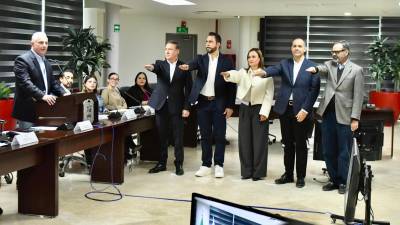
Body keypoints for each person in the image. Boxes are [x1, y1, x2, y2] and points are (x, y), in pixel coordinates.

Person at [306, 40, 364, 194]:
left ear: (346, 52)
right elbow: (322, 68)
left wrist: (355, 118)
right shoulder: (330, 64)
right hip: (328, 115)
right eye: (333, 51)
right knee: (328, 150)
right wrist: (315, 69)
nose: (334, 54)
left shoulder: (357, 70)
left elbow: (358, 97)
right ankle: (334, 179)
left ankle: (344, 181)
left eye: (337, 51)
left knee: (344, 151)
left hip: (345, 115)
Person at [263, 38, 320, 188]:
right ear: (291, 48)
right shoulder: (285, 63)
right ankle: (288, 174)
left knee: (301, 145)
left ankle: (301, 176)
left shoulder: (312, 67)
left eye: (300, 46)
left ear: (305, 49)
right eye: (294, 46)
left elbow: (314, 91)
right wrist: (262, 72)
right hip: (285, 110)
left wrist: (305, 110)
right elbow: (273, 70)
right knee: (287, 144)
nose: (297, 48)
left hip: (301, 111)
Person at [179, 32, 236, 178]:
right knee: (205, 135)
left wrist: (230, 106)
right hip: (203, 102)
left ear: (218, 44)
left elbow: (231, 86)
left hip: (219, 102)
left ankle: (219, 165)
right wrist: (187, 66)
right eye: (206, 41)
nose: (207, 44)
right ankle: (205, 164)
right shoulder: (201, 59)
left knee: (219, 136)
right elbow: (192, 64)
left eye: (210, 41)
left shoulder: (227, 61)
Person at [221, 48, 274, 181]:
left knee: (259, 142)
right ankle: (246, 171)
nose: (250, 59)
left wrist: (265, 112)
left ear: (259, 58)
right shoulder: (244, 72)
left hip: (260, 109)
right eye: (249, 57)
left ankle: (258, 172)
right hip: (245, 108)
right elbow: (235, 75)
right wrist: (227, 74)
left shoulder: (267, 74)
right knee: (244, 141)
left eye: (253, 56)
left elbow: (269, 95)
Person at [144, 40, 192, 176]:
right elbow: (155, 68)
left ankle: (179, 164)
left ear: (177, 51)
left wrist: (187, 107)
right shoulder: (160, 64)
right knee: (162, 136)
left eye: (170, 49)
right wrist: (152, 68)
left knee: (178, 138)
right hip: (161, 106)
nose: (167, 51)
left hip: (177, 107)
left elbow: (188, 89)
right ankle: (161, 163)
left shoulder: (184, 67)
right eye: (166, 49)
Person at [12, 32, 66, 129]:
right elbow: (25, 83)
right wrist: (42, 96)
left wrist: (64, 94)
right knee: (29, 142)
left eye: (46, 43)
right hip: (27, 111)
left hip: (44, 110)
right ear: (32, 44)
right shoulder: (22, 60)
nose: (44, 45)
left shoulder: (46, 62)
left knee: (45, 141)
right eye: (41, 42)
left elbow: (53, 83)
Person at [82, 75, 104, 167]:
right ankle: (90, 163)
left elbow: (102, 109)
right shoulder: (81, 96)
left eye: (94, 82)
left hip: (98, 121)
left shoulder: (98, 96)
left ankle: (99, 161)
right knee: (90, 138)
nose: (92, 84)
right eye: (90, 82)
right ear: (85, 83)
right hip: (85, 123)